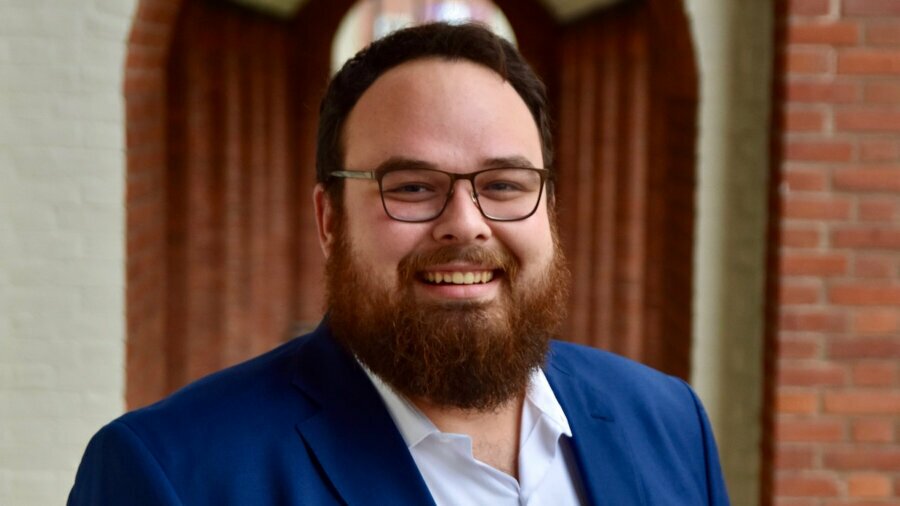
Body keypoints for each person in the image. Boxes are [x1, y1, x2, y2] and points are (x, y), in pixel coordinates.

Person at [69, 22, 729, 505]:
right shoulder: (171, 475)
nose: (466, 223)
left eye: (504, 184)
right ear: (329, 221)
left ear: (549, 208)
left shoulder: (672, 424)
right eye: (411, 187)